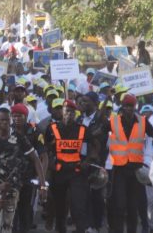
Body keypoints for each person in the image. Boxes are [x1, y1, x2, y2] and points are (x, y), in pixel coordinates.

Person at [107, 93, 153, 233]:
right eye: (127, 106)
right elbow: (100, 135)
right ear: (123, 107)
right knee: (119, 204)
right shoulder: (114, 121)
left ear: (135, 107)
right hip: (119, 169)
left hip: (136, 171)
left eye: (132, 106)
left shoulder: (143, 121)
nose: (130, 109)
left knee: (133, 206)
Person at [46, 99, 91, 233]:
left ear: (76, 113)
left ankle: (80, 230)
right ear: (62, 112)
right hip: (59, 172)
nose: (69, 114)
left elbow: (95, 146)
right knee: (59, 208)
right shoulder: (52, 128)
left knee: (78, 206)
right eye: (67, 111)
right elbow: (45, 147)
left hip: (77, 172)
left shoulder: (82, 129)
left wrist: (87, 161)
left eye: (72, 112)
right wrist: (49, 160)